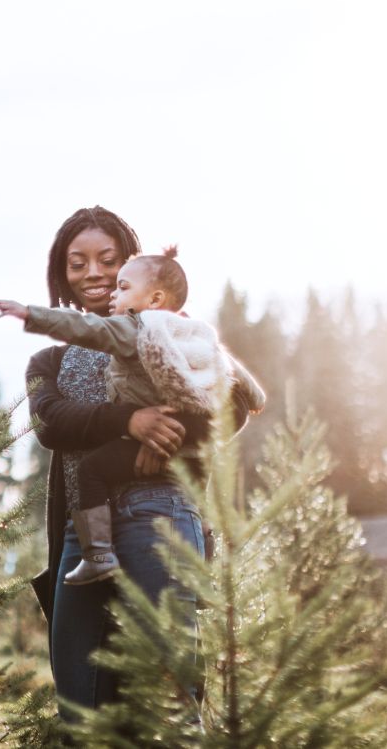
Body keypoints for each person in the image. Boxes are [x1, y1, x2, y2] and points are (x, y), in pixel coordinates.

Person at [22, 206, 257, 720]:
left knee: (165, 692)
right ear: (61, 274)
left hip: (163, 515)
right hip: (82, 534)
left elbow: (234, 404)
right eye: (76, 263)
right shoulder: (49, 360)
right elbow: (50, 422)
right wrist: (130, 421)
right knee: (79, 697)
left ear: (133, 264)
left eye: (107, 260)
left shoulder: (175, 333)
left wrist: (171, 436)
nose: (93, 274)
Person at [0, 246, 262, 585]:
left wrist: (31, 314)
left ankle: (99, 554)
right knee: (198, 479)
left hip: (160, 496)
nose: (109, 290)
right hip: (187, 437)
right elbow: (228, 367)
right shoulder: (191, 331)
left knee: (92, 471)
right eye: (78, 263)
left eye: (120, 282)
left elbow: (86, 328)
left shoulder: (135, 328)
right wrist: (255, 395)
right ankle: (203, 560)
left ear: (154, 298)